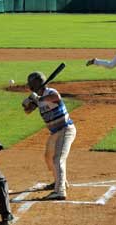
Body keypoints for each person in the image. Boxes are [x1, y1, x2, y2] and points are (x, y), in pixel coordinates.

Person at [22, 71, 76, 200]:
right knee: (48, 157)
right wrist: (27, 103)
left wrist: (38, 99)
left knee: (58, 158)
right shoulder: (38, 97)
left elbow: (56, 97)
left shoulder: (50, 92)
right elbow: (27, 111)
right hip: (54, 133)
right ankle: (60, 180)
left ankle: (60, 191)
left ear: (34, 85)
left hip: (66, 130)